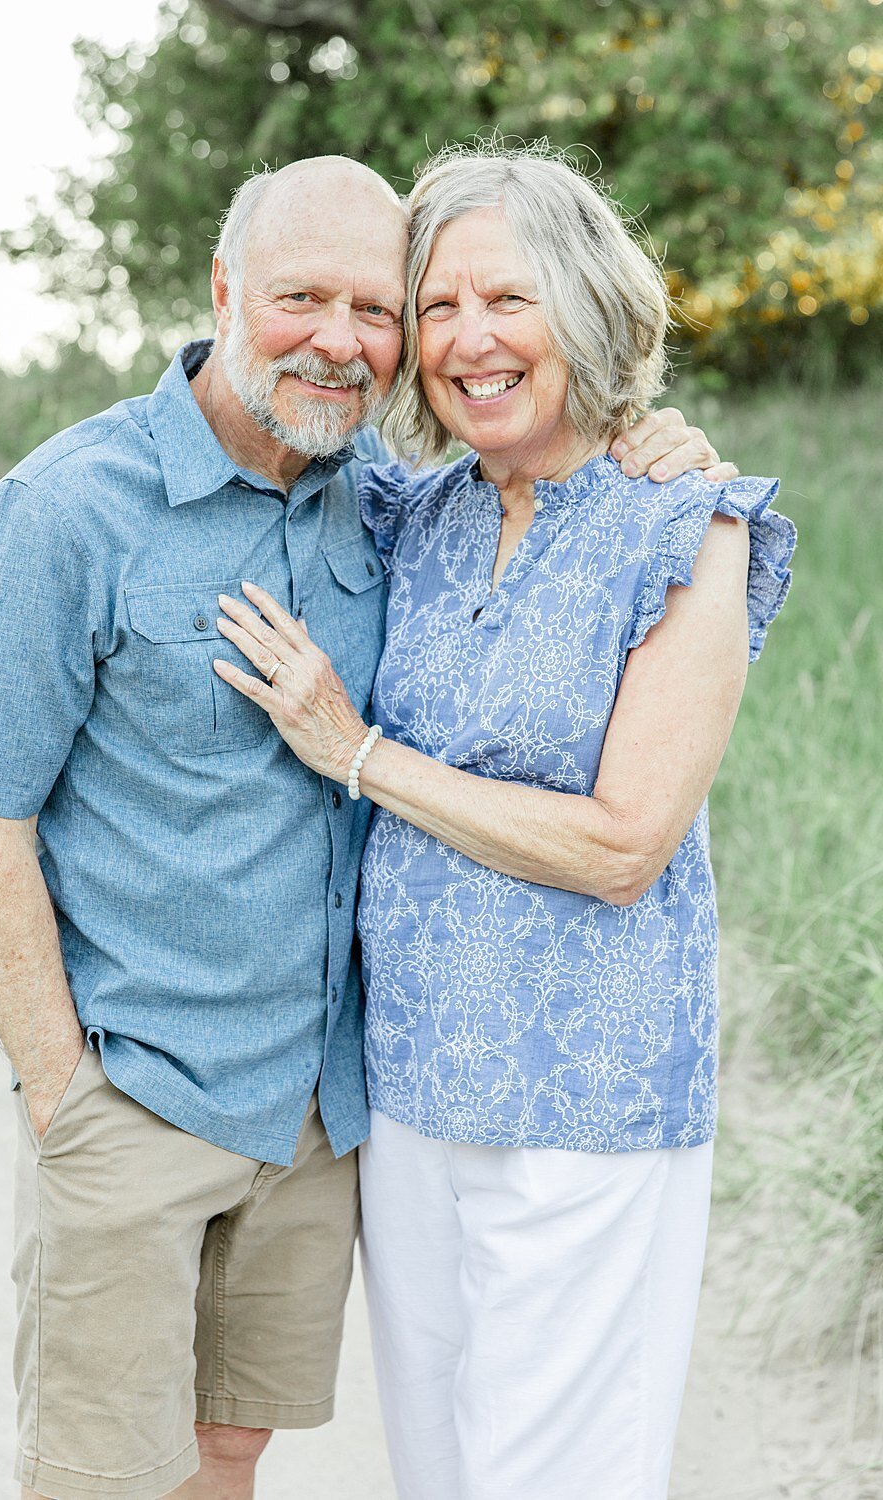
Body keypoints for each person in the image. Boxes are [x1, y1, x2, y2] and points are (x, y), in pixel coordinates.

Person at [0, 153, 730, 1500]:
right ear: (224, 287)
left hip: (325, 1106)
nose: (344, 340)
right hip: (144, 1087)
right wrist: (59, 1087)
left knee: (231, 1446)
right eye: (306, 298)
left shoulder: (382, 499)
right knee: (104, 1470)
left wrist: (664, 437)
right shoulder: (64, 512)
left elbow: (573, 480)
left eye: (377, 309)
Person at [213, 143, 796, 1500]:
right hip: (412, 1086)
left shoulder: (684, 525)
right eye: (437, 308)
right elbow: (277, 405)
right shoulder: (411, 516)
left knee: (555, 1476)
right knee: (443, 1468)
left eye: (510, 302)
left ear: (587, 312)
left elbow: (622, 843)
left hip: (586, 1097)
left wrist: (358, 755)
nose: (467, 340)